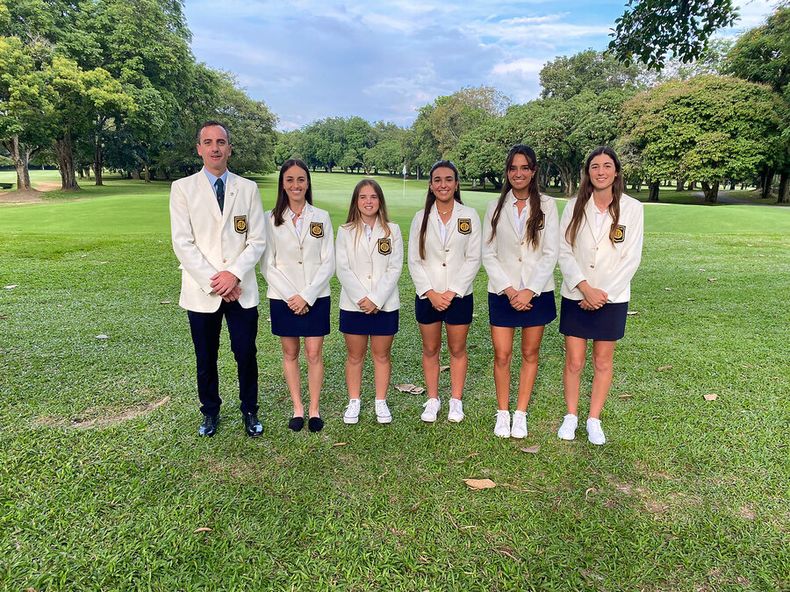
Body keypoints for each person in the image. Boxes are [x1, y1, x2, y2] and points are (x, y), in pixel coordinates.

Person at [169, 121, 266, 438]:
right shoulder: (182, 188)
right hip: (203, 291)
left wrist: (233, 275)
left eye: (221, 142)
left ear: (229, 148)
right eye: (208, 142)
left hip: (241, 290)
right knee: (206, 357)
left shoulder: (248, 188)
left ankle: (249, 410)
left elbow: (257, 240)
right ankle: (210, 412)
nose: (215, 148)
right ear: (199, 149)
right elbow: (183, 243)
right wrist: (218, 282)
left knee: (245, 353)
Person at [557, 146, 644, 445]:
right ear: (588, 172)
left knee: (603, 361)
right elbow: (564, 250)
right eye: (595, 166)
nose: (601, 171)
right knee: (574, 361)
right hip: (576, 295)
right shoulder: (574, 206)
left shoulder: (632, 208)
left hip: (611, 297)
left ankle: (594, 419)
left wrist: (601, 294)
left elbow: (631, 258)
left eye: (607, 166)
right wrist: (585, 287)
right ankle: (571, 415)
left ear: (616, 172)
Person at [482, 145, 559, 439]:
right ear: (507, 172)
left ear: (533, 171)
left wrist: (529, 290)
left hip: (536, 292)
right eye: (513, 168)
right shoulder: (495, 206)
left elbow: (550, 252)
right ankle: (503, 412)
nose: (518, 173)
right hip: (503, 291)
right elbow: (488, 253)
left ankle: (521, 413)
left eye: (524, 168)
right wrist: (510, 290)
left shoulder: (548, 205)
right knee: (502, 354)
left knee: (530, 352)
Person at [261, 159, 334, 433]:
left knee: (314, 353)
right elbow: (267, 264)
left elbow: (328, 261)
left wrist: (307, 296)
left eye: (301, 179)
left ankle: (314, 409)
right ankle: (298, 408)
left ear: (308, 183)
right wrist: (292, 296)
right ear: (283, 184)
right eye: (290, 179)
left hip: (316, 296)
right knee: (290, 352)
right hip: (283, 297)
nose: (296, 185)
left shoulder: (321, 217)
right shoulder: (270, 219)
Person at [407, 160, 481, 423]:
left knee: (457, 349)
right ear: (431, 185)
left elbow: (473, 258)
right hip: (428, 296)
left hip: (459, 296)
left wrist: (452, 292)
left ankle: (456, 401)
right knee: (430, 348)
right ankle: (432, 399)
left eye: (448, 179)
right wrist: (431, 293)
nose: (443, 185)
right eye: (437, 180)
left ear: (456, 184)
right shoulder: (420, 217)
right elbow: (414, 259)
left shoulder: (469, 215)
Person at [335, 179, 403, 424]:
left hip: (385, 304)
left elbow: (395, 268)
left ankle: (380, 401)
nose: (368, 201)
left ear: (380, 201)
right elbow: (342, 268)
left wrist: (376, 299)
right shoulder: (345, 231)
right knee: (355, 356)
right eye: (363, 197)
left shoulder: (392, 230)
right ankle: (354, 400)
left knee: (382, 355)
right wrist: (362, 299)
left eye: (373, 197)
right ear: (356, 201)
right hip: (354, 305)